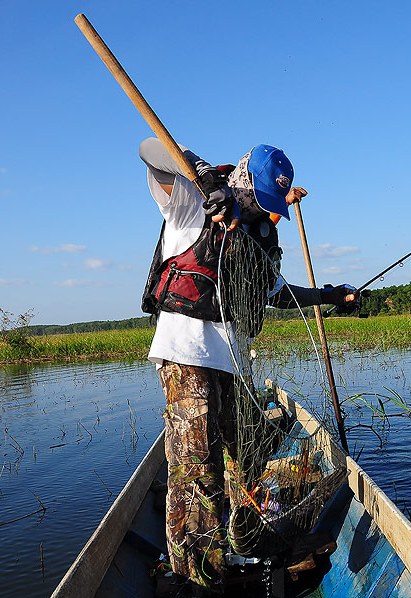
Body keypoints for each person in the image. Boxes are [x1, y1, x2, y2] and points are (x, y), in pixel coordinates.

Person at [139, 137, 356, 596]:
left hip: (231, 361)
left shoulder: (257, 238)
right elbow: (149, 148)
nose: (274, 213)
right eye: (268, 201)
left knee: (248, 455)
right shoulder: (192, 201)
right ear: (245, 183)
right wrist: (206, 178)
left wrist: (332, 297)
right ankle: (195, 579)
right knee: (200, 470)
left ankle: (244, 535)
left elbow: (279, 294)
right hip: (187, 353)